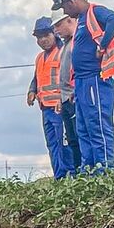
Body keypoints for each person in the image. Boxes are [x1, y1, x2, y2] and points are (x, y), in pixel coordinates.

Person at [51, 0, 114, 173]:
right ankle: (89, 169)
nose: (65, 12)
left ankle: (105, 170)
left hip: (95, 80)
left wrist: (103, 44)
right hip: (81, 83)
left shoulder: (94, 12)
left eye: (64, 7)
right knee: (83, 129)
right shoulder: (82, 20)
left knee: (97, 125)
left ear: (70, 1)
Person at [26, 16, 74, 179]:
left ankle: (71, 174)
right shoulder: (40, 57)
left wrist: (63, 98)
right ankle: (59, 176)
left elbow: (68, 78)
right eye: (39, 37)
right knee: (53, 144)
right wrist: (32, 91)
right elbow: (37, 77)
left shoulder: (63, 52)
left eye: (46, 35)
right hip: (46, 107)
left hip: (60, 107)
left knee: (65, 143)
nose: (43, 40)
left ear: (54, 33)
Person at [52, 9, 83, 174]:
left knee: (80, 136)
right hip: (65, 99)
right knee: (71, 139)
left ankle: (86, 171)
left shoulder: (77, 42)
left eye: (58, 25)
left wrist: (75, 91)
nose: (56, 30)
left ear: (69, 20)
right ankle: (78, 172)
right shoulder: (65, 46)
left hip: (74, 97)